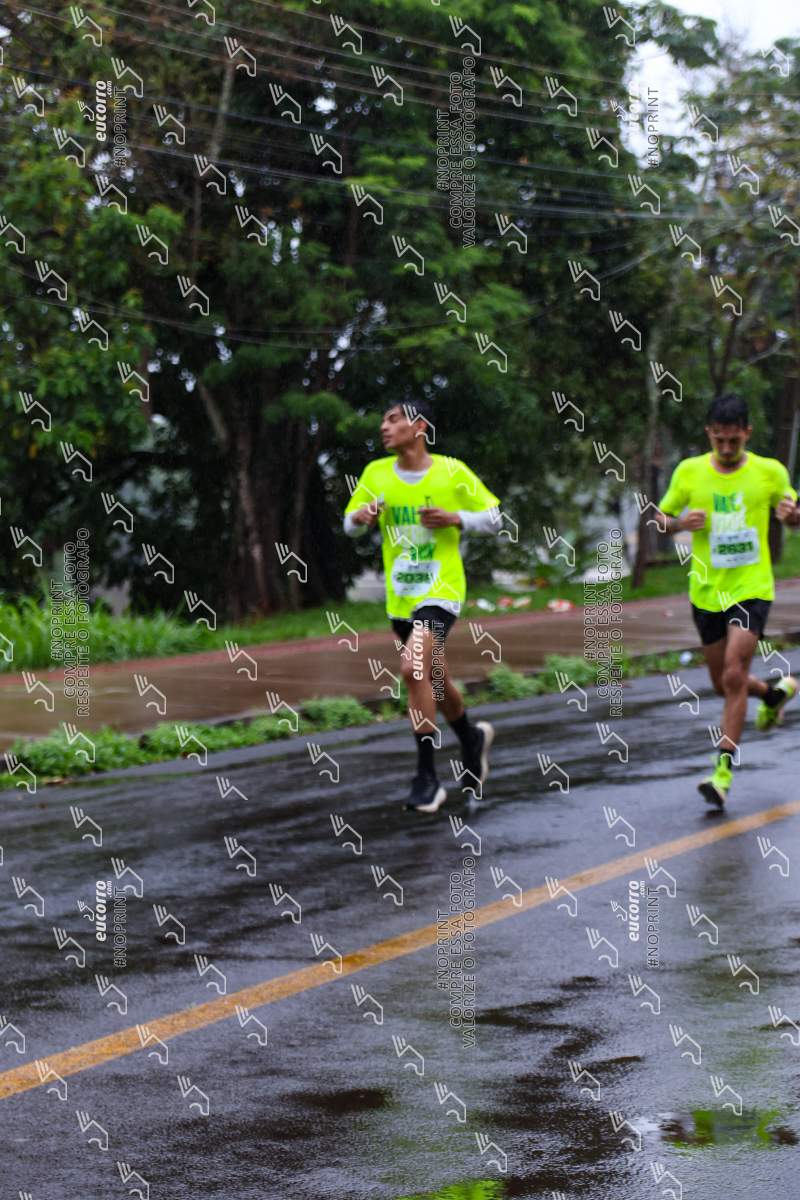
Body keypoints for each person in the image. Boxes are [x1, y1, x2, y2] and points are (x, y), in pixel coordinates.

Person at [344, 401, 501, 812]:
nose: (384, 426)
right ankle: (471, 738)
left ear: (420, 427)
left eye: (394, 419)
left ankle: (427, 778)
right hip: (401, 598)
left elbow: (495, 518)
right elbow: (349, 523)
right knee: (434, 681)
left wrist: (456, 518)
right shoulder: (376, 474)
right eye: (383, 420)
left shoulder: (452, 471)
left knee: (412, 668)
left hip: (441, 590)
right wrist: (360, 518)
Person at [656, 393, 800, 808]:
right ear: (709, 433)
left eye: (733, 440)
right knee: (723, 684)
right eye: (718, 439)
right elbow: (659, 518)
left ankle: (722, 772)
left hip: (752, 588)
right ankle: (771, 695)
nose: (725, 448)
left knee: (735, 673)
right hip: (706, 592)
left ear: (747, 434)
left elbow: (792, 509)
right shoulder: (689, 472)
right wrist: (679, 523)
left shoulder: (769, 472)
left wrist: (793, 517)